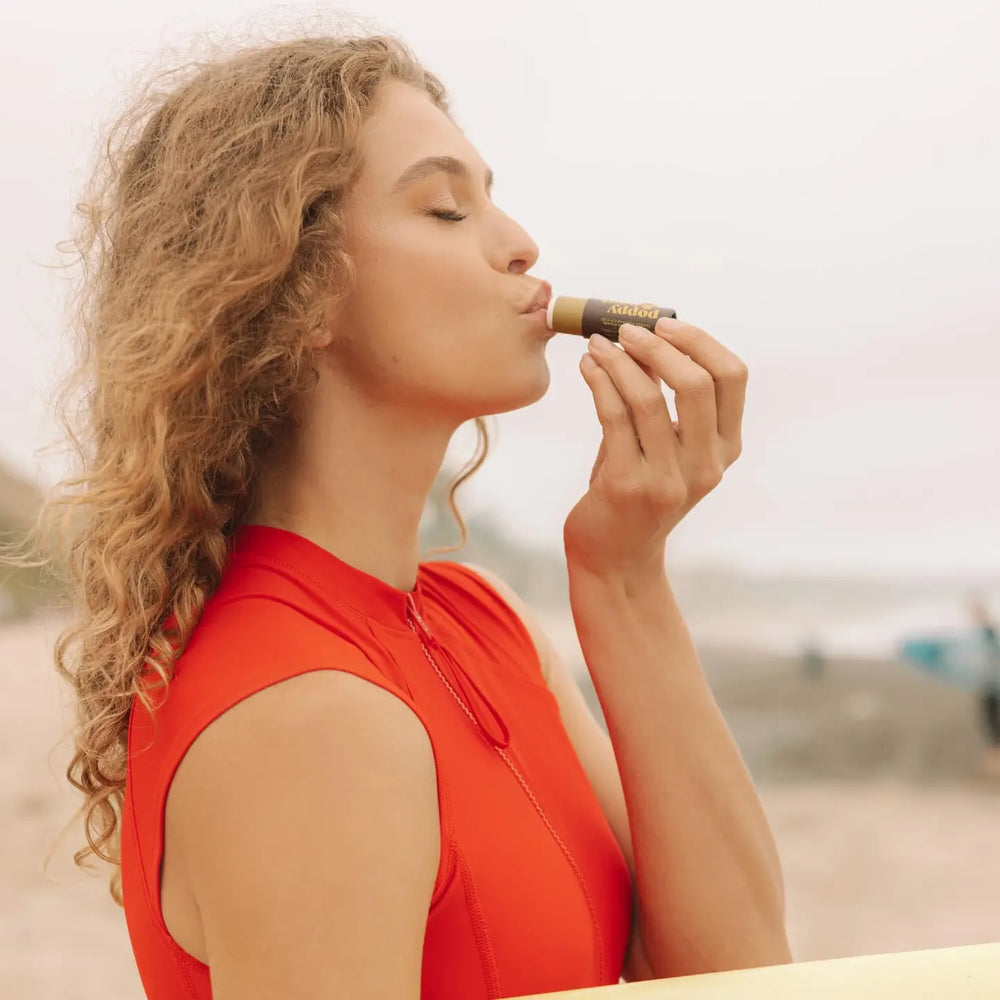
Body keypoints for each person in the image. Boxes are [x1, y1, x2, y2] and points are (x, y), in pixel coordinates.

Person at [7, 26, 790, 1000]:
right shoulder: (307, 716)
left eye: (491, 200)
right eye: (447, 208)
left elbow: (735, 975)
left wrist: (623, 579)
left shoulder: (486, 624)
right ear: (297, 288)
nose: (519, 244)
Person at [968, 595, 1000, 776]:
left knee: (992, 725)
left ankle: (994, 765)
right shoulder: (986, 633)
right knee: (990, 725)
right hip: (989, 684)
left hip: (993, 685)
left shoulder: (989, 633)